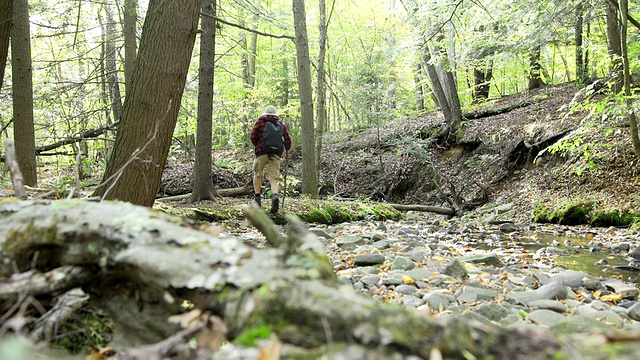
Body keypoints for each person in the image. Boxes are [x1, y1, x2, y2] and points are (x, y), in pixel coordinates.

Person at [250, 105, 292, 214]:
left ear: (265, 113)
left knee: (257, 174)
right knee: (274, 178)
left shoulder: (260, 122)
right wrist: (286, 147)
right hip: (276, 153)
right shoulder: (281, 124)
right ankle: (275, 196)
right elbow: (287, 140)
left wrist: (258, 145)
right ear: (275, 114)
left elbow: (253, 136)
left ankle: (258, 198)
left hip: (261, 152)